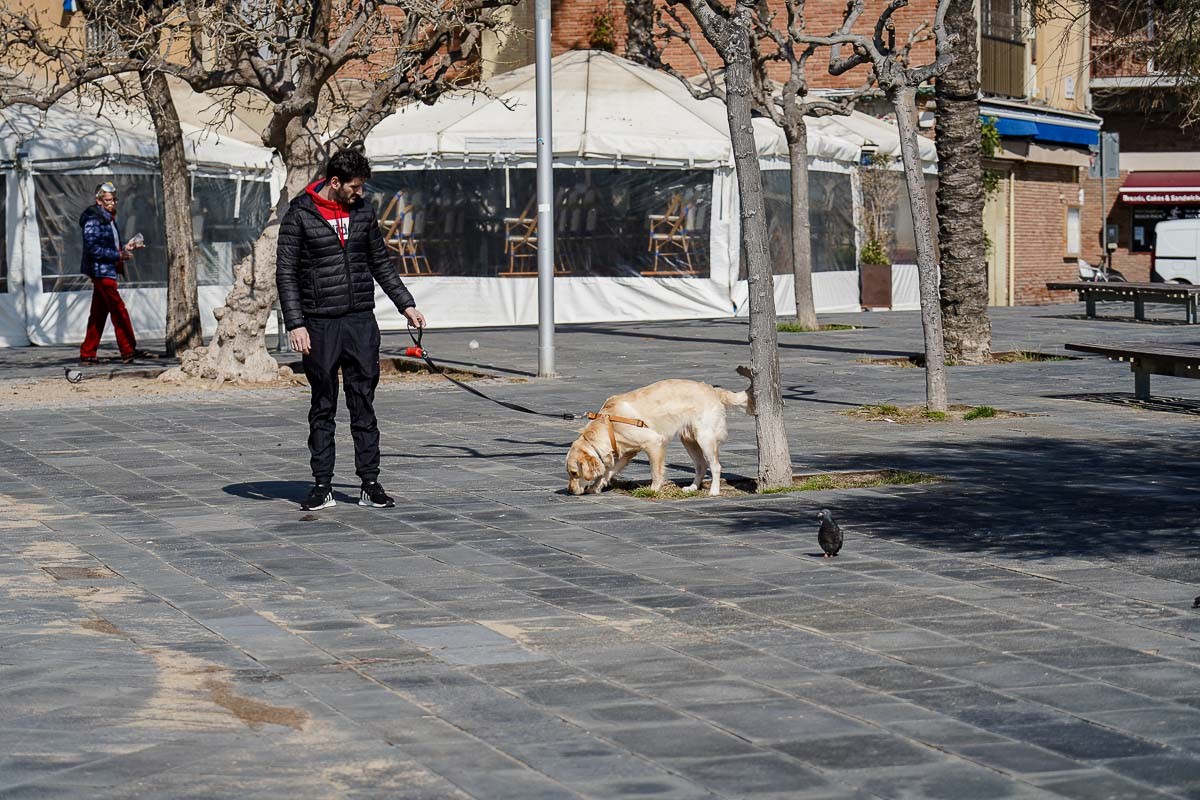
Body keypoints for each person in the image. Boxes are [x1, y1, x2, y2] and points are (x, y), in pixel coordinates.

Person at [276, 147, 426, 512]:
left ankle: (369, 483)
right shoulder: (300, 215)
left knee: (363, 404)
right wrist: (295, 323)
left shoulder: (363, 212)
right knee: (323, 405)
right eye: (355, 187)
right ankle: (322, 484)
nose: (360, 193)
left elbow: (380, 262)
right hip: (319, 323)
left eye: (362, 187)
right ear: (335, 182)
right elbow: (286, 274)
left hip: (360, 321)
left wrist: (406, 304)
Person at [79, 181, 150, 364]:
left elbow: (106, 244)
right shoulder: (94, 218)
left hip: (107, 270)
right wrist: (118, 255)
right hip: (100, 271)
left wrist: (126, 246)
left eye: (113, 200)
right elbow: (92, 248)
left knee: (98, 313)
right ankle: (128, 350)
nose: (112, 203)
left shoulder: (107, 217)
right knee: (118, 310)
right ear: (99, 200)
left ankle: (87, 353)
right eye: (108, 200)